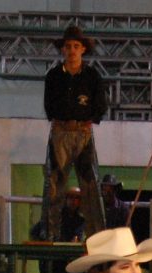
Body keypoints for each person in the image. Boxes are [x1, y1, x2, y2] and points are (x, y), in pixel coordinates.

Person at [42, 25, 107, 242]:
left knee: (90, 186)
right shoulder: (53, 76)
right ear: (63, 49)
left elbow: (100, 105)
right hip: (61, 131)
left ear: (82, 49)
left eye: (75, 46)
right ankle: (50, 235)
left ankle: (96, 237)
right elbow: (49, 106)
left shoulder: (92, 76)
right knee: (54, 185)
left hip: (82, 131)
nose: (71, 50)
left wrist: (87, 120)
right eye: (68, 46)